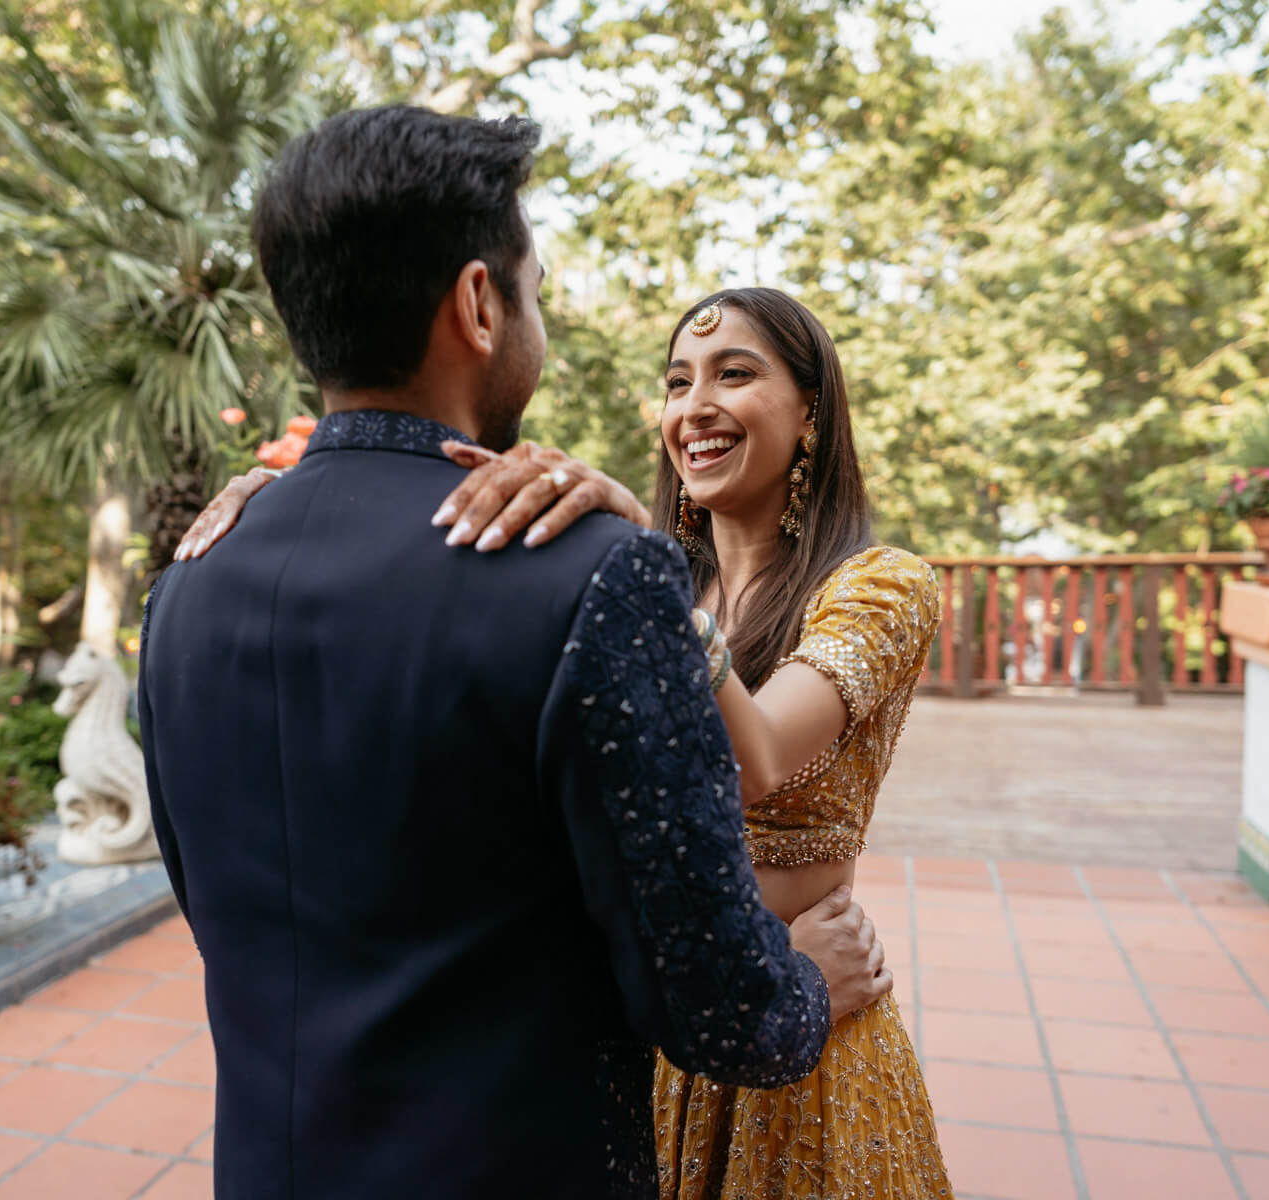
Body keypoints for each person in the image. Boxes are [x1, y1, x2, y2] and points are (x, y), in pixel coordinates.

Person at [138, 105, 892, 1200]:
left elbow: (220, 910)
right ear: (479, 304)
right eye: (534, 290)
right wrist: (808, 985)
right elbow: (720, 1010)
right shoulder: (590, 578)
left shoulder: (191, 581)